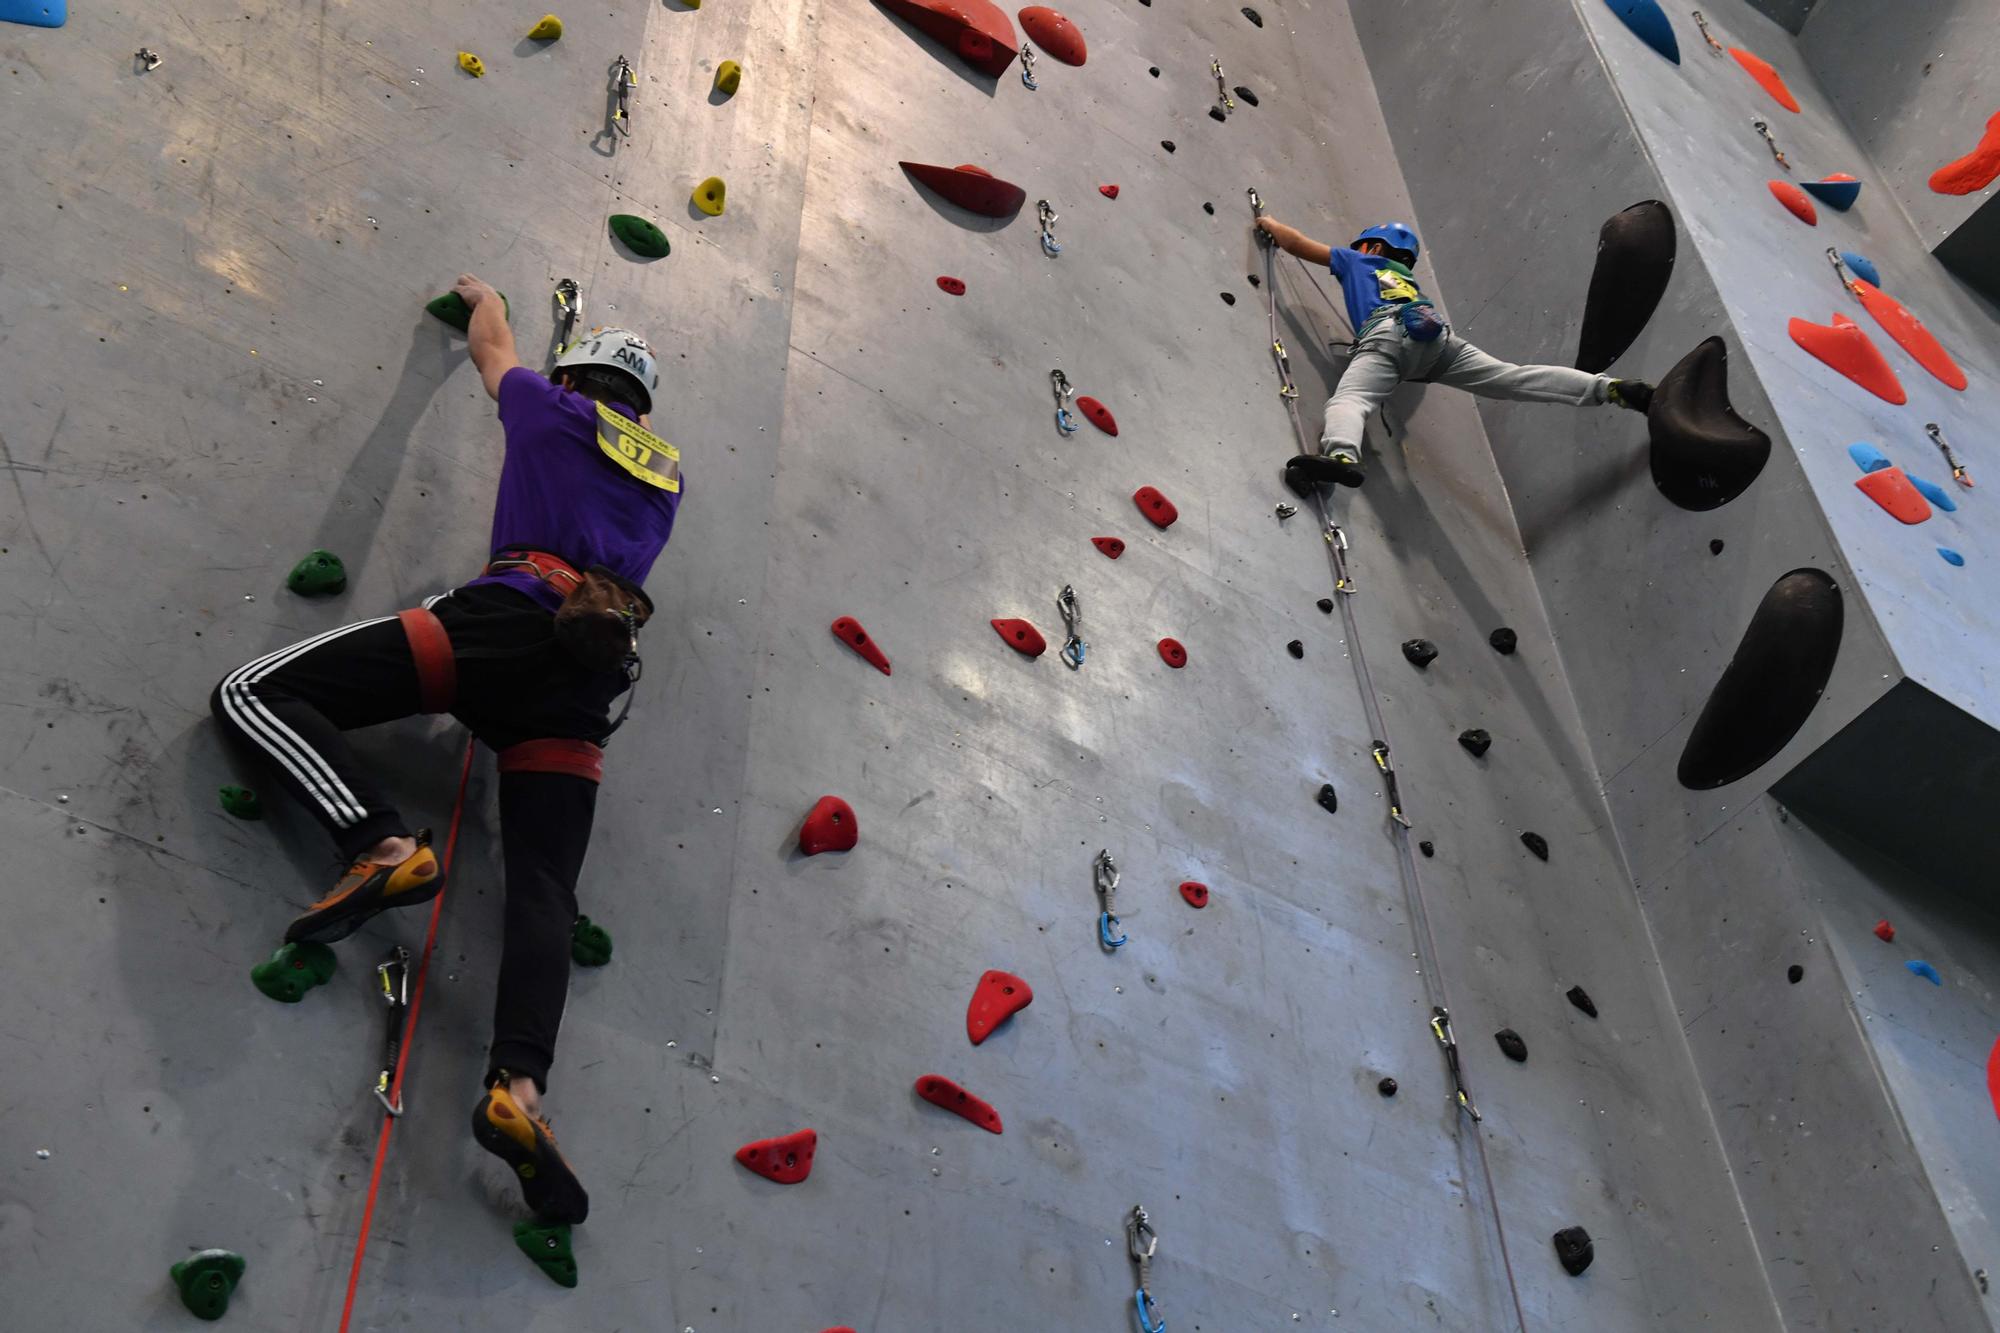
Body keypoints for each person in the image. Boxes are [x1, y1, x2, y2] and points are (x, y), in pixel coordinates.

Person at [210, 274, 684, 1226]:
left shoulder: (550, 407)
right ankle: (521, 1090)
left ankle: (380, 843)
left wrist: (487, 294)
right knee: (545, 887)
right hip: (585, 680)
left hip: (500, 627)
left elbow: (491, 350)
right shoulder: (668, 477)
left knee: (254, 691)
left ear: (578, 374)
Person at [1254, 216, 1653, 490]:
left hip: (1388, 333)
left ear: (1373, 245)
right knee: (1512, 378)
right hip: (1438, 340)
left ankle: (1341, 457)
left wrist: (1269, 224)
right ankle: (1611, 389)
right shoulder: (1407, 278)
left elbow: (1298, 244)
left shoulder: (1358, 258)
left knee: (1353, 399)